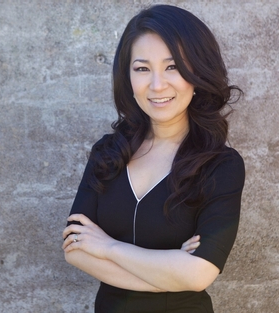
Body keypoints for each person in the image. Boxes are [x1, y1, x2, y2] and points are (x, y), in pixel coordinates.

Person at [61, 4, 245, 312]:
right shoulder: (108, 153)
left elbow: (199, 273)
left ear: (198, 72)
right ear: (128, 77)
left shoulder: (220, 166)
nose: (157, 85)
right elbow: (75, 249)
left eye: (172, 67)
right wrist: (171, 273)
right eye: (142, 68)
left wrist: (107, 247)